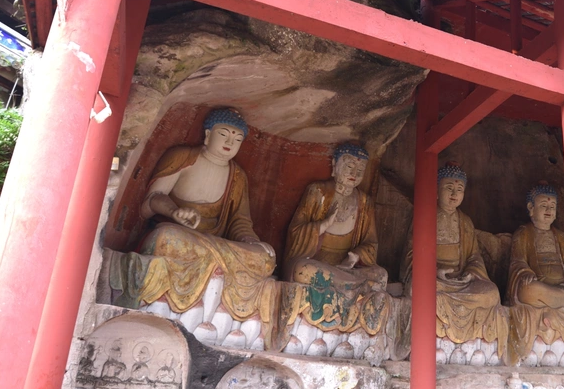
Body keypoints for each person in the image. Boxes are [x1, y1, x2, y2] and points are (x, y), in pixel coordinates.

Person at [115, 108, 276, 349]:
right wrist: (174, 212)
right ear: (208, 135)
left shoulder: (237, 176)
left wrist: (252, 241)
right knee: (168, 238)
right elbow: (152, 199)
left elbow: (240, 221)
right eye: (224, 134)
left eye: (237, 139)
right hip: (180, 234)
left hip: (215, 242)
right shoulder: (183, 156)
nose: (230, 142)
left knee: (265, 257)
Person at [282, 143, 391, 354]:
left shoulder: (364, 202)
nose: (354, 173)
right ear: (334, 165)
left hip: (346, 268)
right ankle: (347, 289)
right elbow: (296, 231)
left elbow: (371, 243)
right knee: (304, 270)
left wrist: (355, 256)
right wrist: (322, 226)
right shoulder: (318, 191)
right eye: (349, 166)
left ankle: (344, 286)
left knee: (380, 275)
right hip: (317, 263)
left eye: (360, 170)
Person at [401, 163, 508, 365]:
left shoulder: (465, 221)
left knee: (491, 292)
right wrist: (434, 271)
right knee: (419, 290)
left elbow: (474, 256)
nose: (454, 194)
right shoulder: (425, 216)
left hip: (461, 282)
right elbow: (411, 254)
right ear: (436, 190)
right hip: (435, 280)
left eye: (459, 189)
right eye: (449, 188)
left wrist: (471, 273)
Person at [507, 183, 564, 366]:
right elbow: (517, 260)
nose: (548, 210)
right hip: (540, 288)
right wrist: (525, 272)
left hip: (561, 287)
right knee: (528, 289)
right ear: (531, 208)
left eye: (552, 206)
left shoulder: (560, 236)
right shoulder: (523, 233)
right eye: (543, 206)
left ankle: (563, 298)